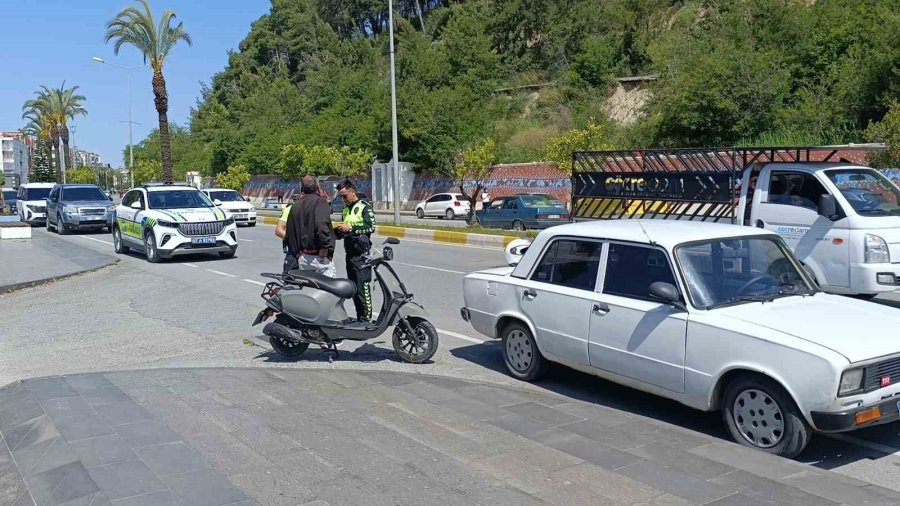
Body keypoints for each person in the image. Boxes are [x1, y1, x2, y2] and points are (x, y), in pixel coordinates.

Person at [335, 180, 376, 321]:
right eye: (340, 196)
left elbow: (371, 227)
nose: (343, 199)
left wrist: (351, 228)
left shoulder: (364, 206)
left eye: (345, 196)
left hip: (362, 255)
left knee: (362, 287)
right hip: (350, 254)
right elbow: (344, 231)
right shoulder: (345, 210)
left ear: (352, 192)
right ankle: (360, 317)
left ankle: (366, 319)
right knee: (353, 288)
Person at [285, 175, 336, 277]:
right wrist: (325, 247)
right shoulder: (320, 202)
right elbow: (321, 225)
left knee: (309, 290)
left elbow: (290, 232)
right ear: (317, 187)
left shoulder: (296, 205)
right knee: (327, 292)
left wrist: (298, 254)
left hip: (303, 257)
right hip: (319, 257)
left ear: (302, 188)